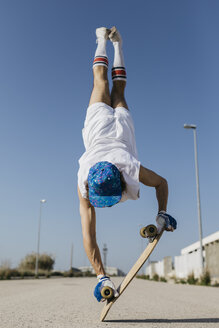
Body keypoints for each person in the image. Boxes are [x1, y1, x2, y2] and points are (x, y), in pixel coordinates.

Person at [77, 26, 177, 302]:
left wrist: (101, 276)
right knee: (106, 84)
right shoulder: (113, 173)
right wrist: (162, 212)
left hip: (118, 131)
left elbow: (89, 234)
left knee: (107, 86)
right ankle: (110, 41)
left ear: (121, 180)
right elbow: (162, 183)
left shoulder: (115, 172)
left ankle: (111, 42)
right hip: (109, 131)